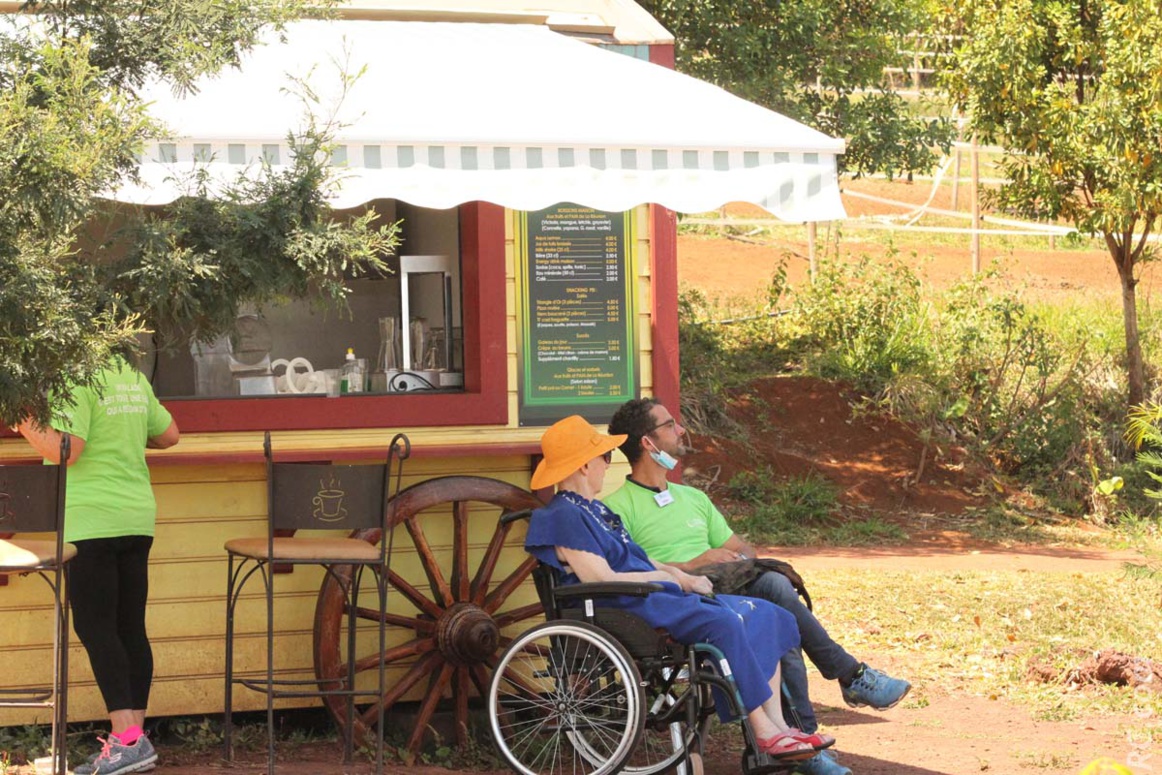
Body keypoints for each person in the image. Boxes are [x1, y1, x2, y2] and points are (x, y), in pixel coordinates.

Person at [606, 397, 912, 775]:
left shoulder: (694, 498)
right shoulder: (617, 506)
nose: (681, 430)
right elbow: (634, 569)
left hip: (733, 587)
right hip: (684, 594)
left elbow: (740, 547)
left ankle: (804, 740)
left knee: (777, 606)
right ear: (647, 443)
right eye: (670, 425)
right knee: (776, 596)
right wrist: (693, 564)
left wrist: (738, 561)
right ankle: (844, 685)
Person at [524, 414, 834, 762]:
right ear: (583, 466)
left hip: (650, 594)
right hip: (626, 605)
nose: (607, 465)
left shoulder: (594, 510)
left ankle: (778, 725)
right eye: (604, 458)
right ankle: (763, 731)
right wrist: (662, 580)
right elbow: (598, 578)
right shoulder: (564, 515)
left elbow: (640, 559)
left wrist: (680, 576)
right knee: (725, 623)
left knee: (766, 614)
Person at [17, 357, 180, 775]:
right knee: (129, 627)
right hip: (137, 515)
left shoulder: (75, 373)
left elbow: (67, 450)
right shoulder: (130, 375)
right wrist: (124, 437)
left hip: (89, 520)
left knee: (96, 627)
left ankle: (127, 740)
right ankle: (133, 743)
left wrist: (18, 414)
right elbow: (169, 435)